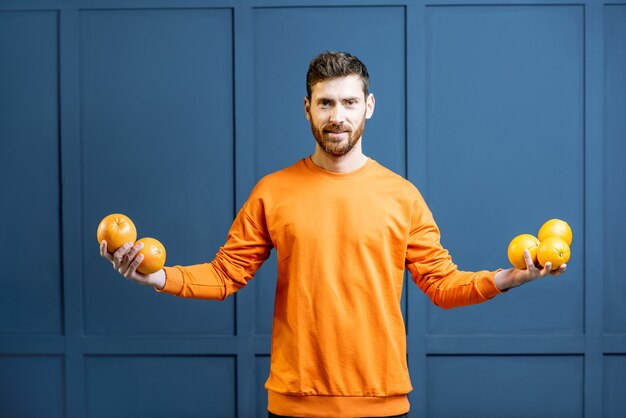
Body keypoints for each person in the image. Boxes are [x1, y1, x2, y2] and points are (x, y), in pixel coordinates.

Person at [100, 51, 566, 418]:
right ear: (307, 109)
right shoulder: (273, 191)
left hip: (381, 401)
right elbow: (226, 275)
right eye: (325, 103)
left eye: (348, 102)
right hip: (294, 402)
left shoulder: (402, 196)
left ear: (369, 107)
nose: (337, 116)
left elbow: (442, 286)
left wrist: (508, 277)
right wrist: (155, 278)